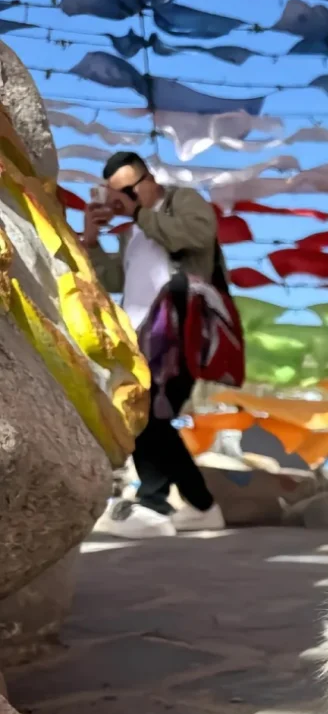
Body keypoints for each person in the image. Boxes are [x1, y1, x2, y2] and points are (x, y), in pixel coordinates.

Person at [82, 152, 228, 539]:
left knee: (154, 417)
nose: (123, 200)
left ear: (148, 180)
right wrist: (92, 239)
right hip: (138, 338)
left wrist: (139, 212)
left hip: (180, 331)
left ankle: (173, 503)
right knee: (140, 417)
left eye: (129, 191)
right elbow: (113, 279)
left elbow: (195, 237)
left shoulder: (182, 202)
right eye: (116, 194)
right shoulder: (133, 231)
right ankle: (180, 506)